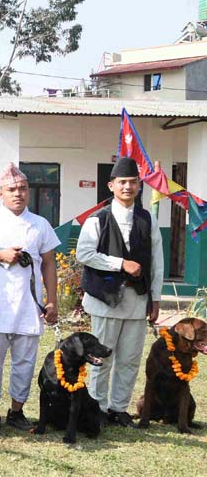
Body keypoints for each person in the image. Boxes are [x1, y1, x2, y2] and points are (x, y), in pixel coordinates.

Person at [0, 163, 60, 431]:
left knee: (25, 361)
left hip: (29, 305)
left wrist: (52, 301)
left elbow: (49, 264)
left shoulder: (40, 224)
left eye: (22, 189)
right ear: (0, 193)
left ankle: (17, 410)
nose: (18, 193)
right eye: (11, 189)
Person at [76, 156, 163, 428]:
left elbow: (157, 261)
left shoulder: (147, 219)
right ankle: (97, 407)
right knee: (101, 356)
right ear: (111, 185)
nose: (127, 187)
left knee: (129, 359)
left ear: (139, 186)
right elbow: (84, 254)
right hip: (105, 300)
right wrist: (120, 263)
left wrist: (156, 298)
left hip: (137, 300)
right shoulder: (97, 218)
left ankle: (118, 408)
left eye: (133, 182)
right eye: (122, 182)